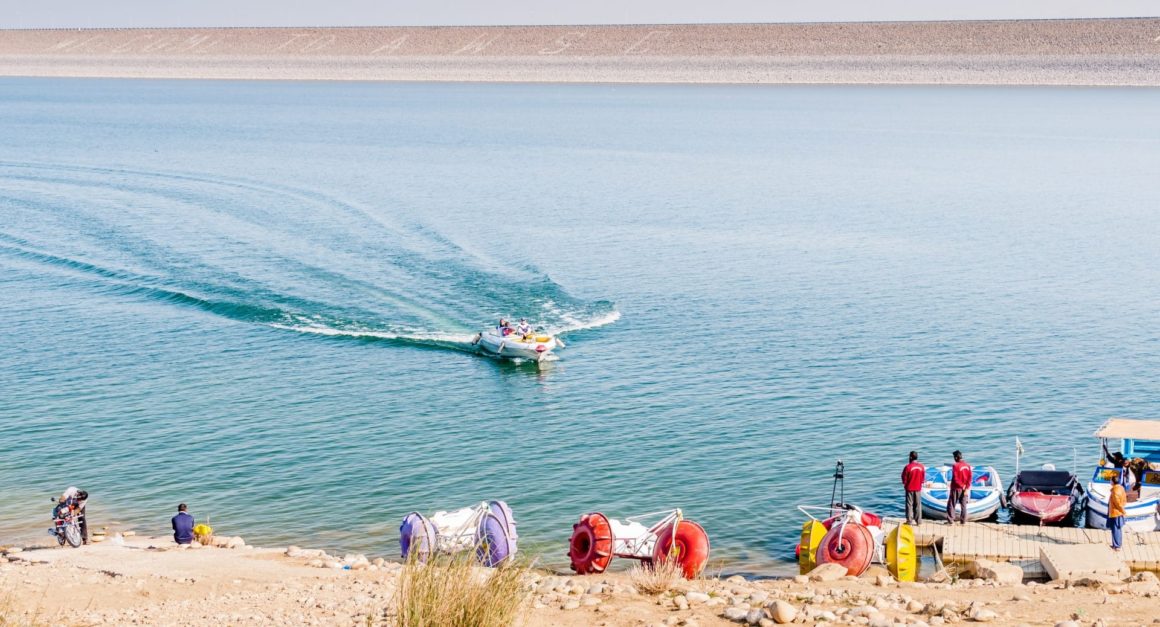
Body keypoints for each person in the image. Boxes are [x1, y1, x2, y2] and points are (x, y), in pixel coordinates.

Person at [946, 451, 972, 525]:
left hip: (956, 488)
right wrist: (966, 487)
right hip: (965, 489)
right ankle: (963, 521)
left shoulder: (955, 466)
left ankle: (951, 521)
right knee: (963, 505)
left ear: (956, 457)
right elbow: (970, 478)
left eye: (954, 457)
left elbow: (956, 478)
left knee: (951, 504)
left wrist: (962, 486)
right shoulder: (968, 465)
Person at [901, 451, 925, 525]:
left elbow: (904, 478)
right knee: (918, 505)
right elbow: (923, 478)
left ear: (911, 457)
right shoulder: (921, 467)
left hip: (910, 488)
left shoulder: (908, 467)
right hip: (918, 488)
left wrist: (905, 485)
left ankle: (909, 521)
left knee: (909, 505)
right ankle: (919, 521)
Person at [1108, 481, 1127, 551]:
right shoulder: (1121, 488)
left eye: (1110, 480)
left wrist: (1122, 511)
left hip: (1115, 513)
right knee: (1117, 528)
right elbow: (1124, 500)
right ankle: (1116, 544)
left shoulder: (1115, 491)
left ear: (1113, 481)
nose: (1110, 481)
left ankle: (1117, 546)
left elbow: (1117, 503)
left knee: (1115, 529)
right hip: (1118, 512)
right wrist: (1123, 507)